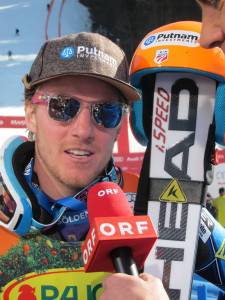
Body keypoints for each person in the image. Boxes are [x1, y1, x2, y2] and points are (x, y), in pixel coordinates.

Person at [0, 32, 169, 299]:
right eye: (63, 106)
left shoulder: (159, 207)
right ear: (30, 114)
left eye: (106, 111)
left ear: (119, 127)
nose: (84, 130)